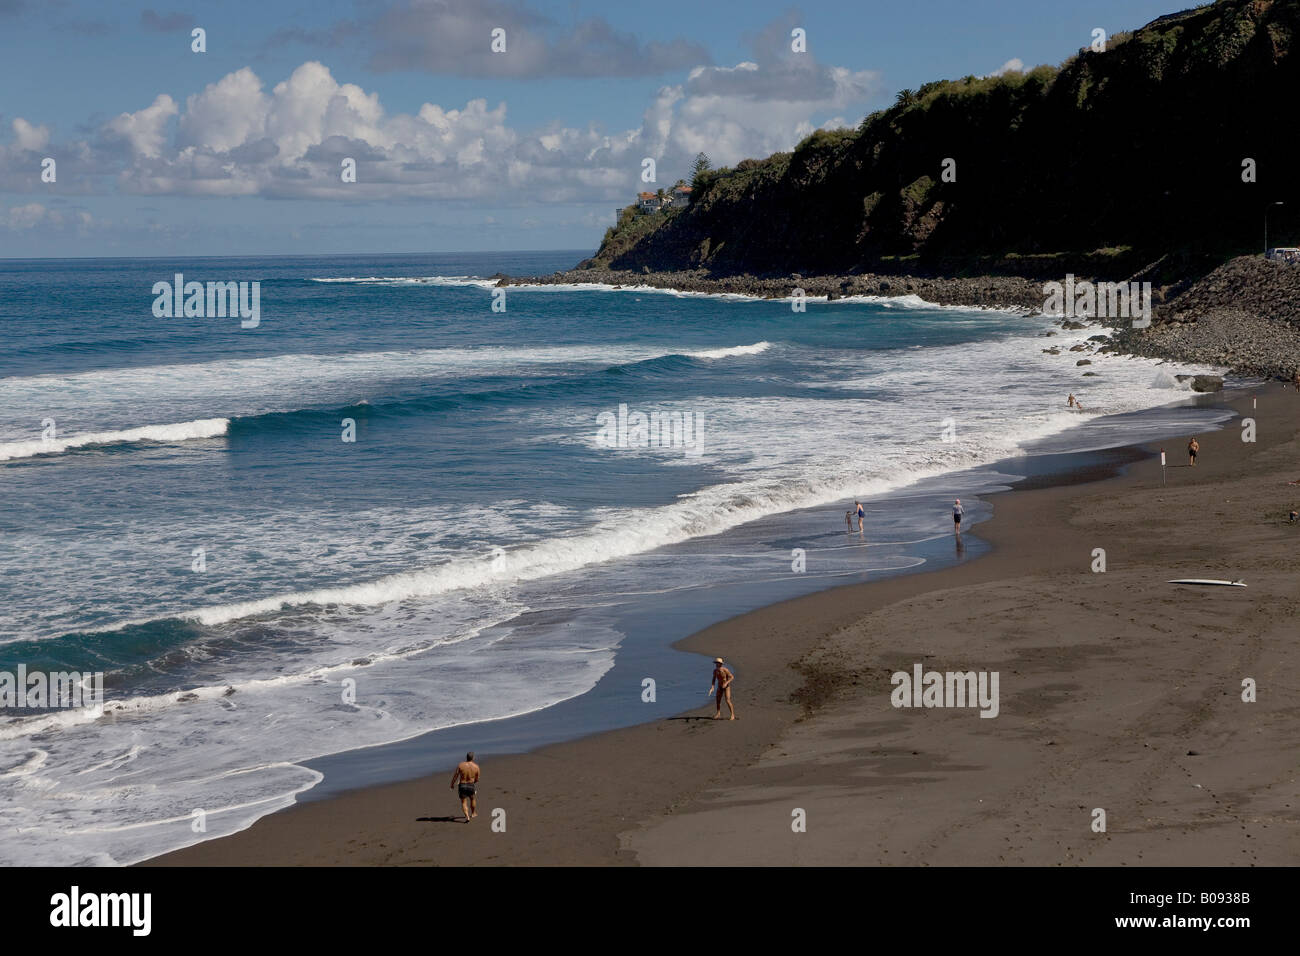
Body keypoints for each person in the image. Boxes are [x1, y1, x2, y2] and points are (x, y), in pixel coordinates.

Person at [450, 751, 480, 822]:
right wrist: (473, 782)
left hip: (462, 785)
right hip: (471, 785)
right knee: (472, 798)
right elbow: (477, 779)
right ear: (473, 758)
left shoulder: (461, 765)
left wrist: (452, 784)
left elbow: (455, 776)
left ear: (466, 757)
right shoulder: (476, 767)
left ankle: (467, 816)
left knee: (464, 802)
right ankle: (473, 813)